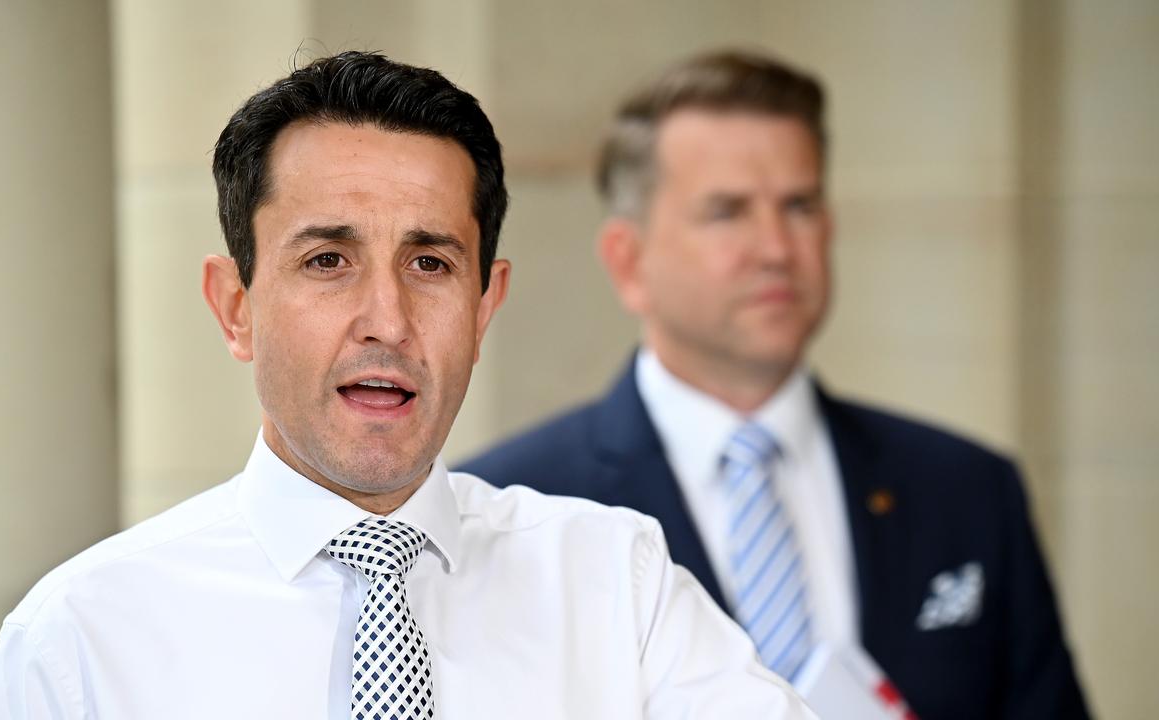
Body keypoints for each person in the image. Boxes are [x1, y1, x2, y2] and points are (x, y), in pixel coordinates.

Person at [0, 52, 815, 719]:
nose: (388, 318)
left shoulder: (619, 588)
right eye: (328, 261)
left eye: (429, 262)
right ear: (235, 309)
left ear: (486, 307)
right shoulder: (83, 638)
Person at [461, 50, 1091, 720]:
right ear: (629, 260)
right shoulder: (509, 508)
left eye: (799, 204)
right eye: (728, 211)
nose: (777, 248)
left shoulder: (966, 490)